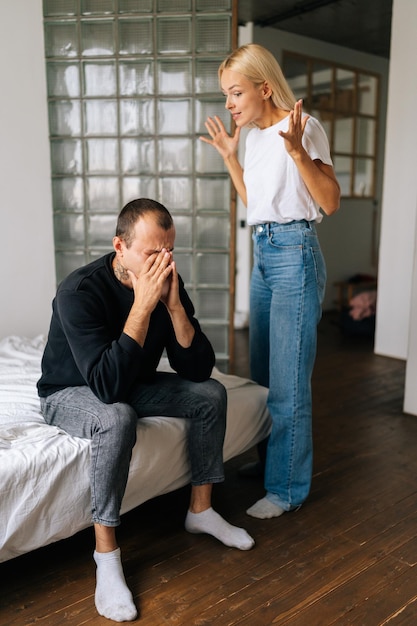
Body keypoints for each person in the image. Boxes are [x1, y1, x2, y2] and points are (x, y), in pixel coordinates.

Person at [37, 198, 255, 623]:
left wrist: (173, 307)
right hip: (70, 390)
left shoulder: (166, 282)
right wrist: (142, 305)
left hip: (128, 381)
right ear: (120, 246)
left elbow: (196, 369)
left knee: (210, 394)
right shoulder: (78, 292)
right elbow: (106, 387)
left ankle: (201, 510)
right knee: (117, 416)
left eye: (169, 250)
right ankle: (106, 557)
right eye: (152, 253)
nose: (163, 262)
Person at [200, 44, 340, 521]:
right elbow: (255, 199)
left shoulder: (303, 128)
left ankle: (285, 489)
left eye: (236, 92)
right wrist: (230, 157)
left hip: (295, 252)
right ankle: (267, 466)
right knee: (262, 375)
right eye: (226, 94)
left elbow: (330, 201)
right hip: (265, 250)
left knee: (288, 382)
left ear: (264, 87)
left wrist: (299, 151)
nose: (229, 104)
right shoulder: (255, 136)